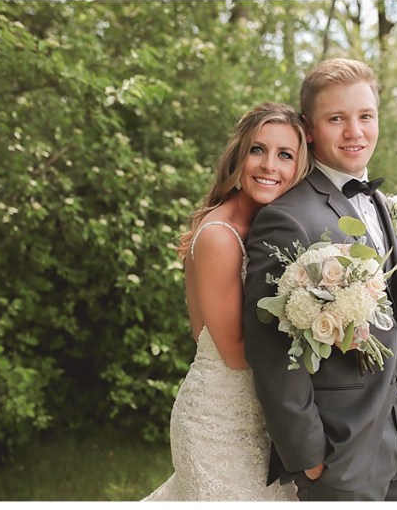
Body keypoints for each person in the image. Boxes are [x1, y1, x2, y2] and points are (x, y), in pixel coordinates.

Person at [243, 58, 397, 501]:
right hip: (342, 450)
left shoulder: (380, 202)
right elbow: (271, 354)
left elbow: (395, 311)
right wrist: (309, 455)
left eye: (365, 116)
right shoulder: (286, 219)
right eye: (337, 119)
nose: (355, 132)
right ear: (309, 129)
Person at [142, 102, 311, 501]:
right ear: (239, 155)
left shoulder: (272, 229)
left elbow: (200, 329)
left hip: (263, 420)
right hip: (217, 425)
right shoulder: (221, 234)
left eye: (285, 155)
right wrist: (318, 325)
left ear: (299, 167)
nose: (270, 165)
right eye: (258, 150)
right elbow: (233, 352)